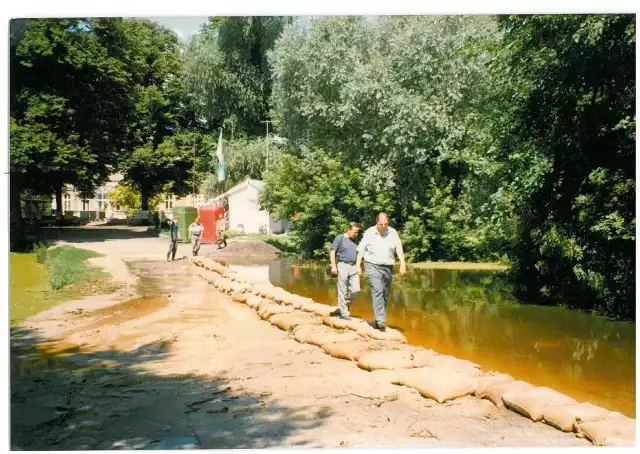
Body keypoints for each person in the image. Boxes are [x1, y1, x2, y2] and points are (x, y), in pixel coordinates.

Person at [356, 212, 406, 331]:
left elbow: (399, 248)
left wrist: (403, 264)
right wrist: (358, 265)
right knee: (377, 290)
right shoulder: (369, 232)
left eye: (386, 223)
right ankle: (381, 320)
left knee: (385, 293)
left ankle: (378, 321)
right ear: (377, 222)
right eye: (381, 224)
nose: (384, 226)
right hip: (372, 265)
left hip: (387, 267)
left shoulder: (392, 232)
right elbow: (361, 249)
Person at [329, 222, 361, 320]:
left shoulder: (357, 239)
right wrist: (334, 266)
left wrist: (359, 266)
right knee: (342, 289)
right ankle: (344, 313)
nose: (356, 234)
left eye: (357, 232)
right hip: (342, 265)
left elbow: (359, 253)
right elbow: (332, 251)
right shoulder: (340, 238)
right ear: (348, 229)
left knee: (356, 290)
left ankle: (344, 307)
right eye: (355, 232)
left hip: (354, 266)